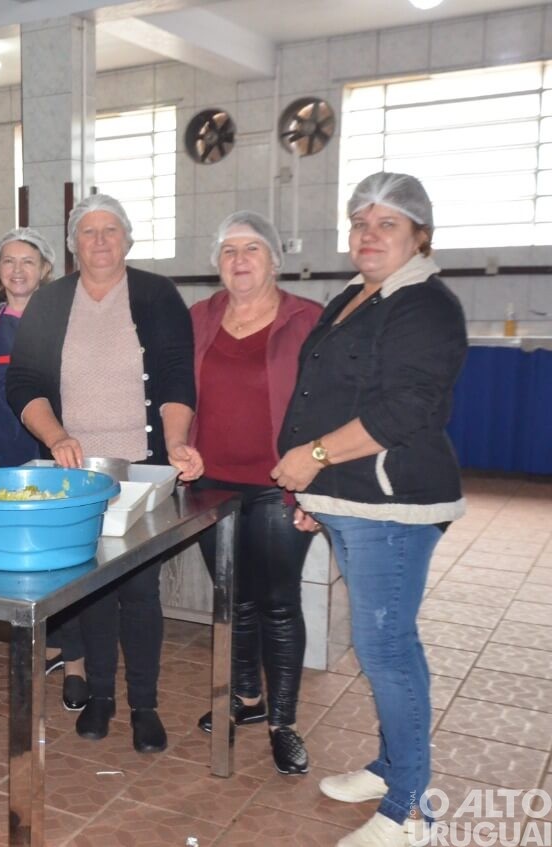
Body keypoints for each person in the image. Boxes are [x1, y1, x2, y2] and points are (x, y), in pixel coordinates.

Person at [273, 173, 467, 847]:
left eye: (387, 224)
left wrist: (313, 460)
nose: (368, 235)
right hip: (352, 498)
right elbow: (326, 393)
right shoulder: (358, 297)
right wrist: (318, 496)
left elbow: (405, 410)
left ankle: (412, 809)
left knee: (386, 647)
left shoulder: (425, 306)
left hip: (394, 502)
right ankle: (393, 768)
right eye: (360, 222)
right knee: (383, 642)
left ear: (420, 234)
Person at [6, 193, 200, 752]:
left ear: (128, 238)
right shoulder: (49, 302)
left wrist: (177, 443)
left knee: (139, 590)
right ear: (72, 243)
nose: (99, 241)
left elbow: (174, 377)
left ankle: (143, 704)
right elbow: (23, 383)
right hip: (77, 472)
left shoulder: (158, 296)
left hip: (141, 470)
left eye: (110, 230)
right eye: (88, 232)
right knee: (90, 590)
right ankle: (100, 697)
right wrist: (56, 436)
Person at [186, 211, 322, 775]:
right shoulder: (198, 318)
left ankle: (283, 723)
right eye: (229, 251)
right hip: (210, 483)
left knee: (278, 603)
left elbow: (328, 405)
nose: (240, 260)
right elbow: (174, 392)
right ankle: (245, 700)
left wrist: (321, 484)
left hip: (280, 485)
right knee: (231, 598)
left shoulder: (309, 319)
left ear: (274, 260)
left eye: (252, 249)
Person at [0, 227, 55, 469]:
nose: (17, 270)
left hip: (52, 452)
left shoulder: (60, 318)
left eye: (28, 262)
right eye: (9, 261)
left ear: (44, 269)